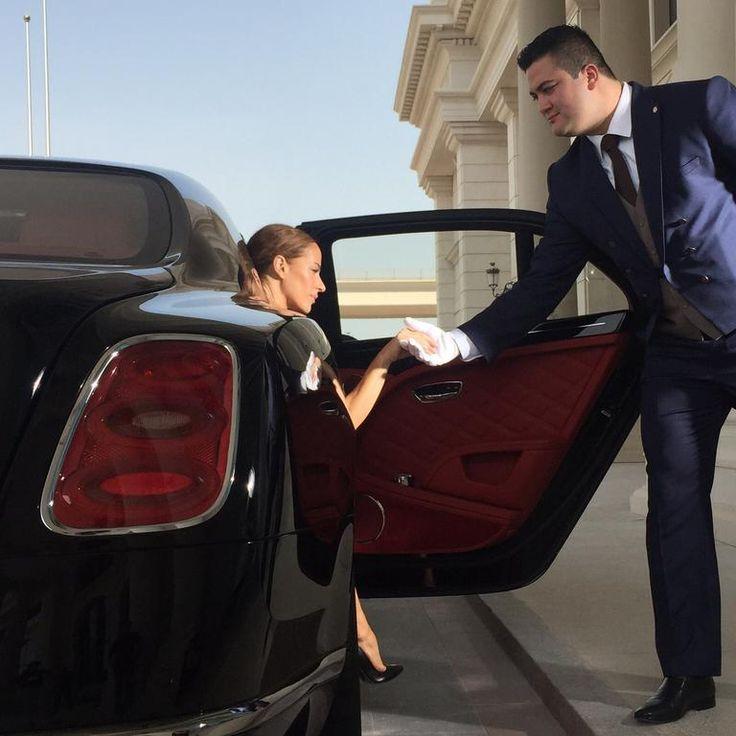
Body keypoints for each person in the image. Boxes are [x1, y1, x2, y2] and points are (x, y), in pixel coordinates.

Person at [399, 24, 736, 725]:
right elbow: (541, 285)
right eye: (533, 96)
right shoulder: (572, 179)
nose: (542, 106)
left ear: (588, 74)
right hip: (678, 359)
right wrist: (459, 342)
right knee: (674, 510)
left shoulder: (698, 105)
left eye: (547, 89)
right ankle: (688, 674)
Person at [234, 223, 430, 684]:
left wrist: (389, 355)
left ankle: (362, 642)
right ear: (280, 266)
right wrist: (389, 354)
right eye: (315, 270)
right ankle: (357, 646)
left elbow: (339, 418)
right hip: (290, 488)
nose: (322, 284)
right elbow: (345, 421)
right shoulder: (293, 335)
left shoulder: (248, 326)